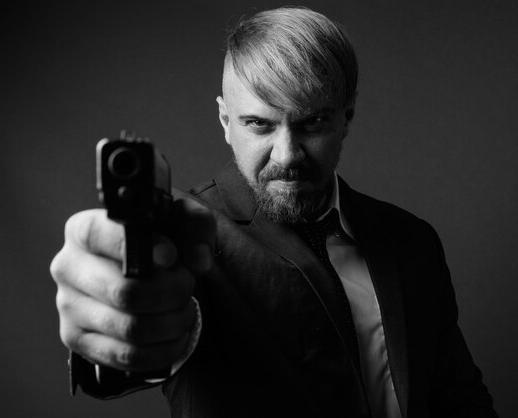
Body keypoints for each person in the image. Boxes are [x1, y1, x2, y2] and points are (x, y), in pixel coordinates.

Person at [50, 6, 497, 418]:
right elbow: (129, 341)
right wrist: (115, 322)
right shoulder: (186, 232)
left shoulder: (410, 240)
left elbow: (458, 396)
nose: (286, 154)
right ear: (226, 122)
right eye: (259, 124)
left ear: (347, 118)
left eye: (312, 123)